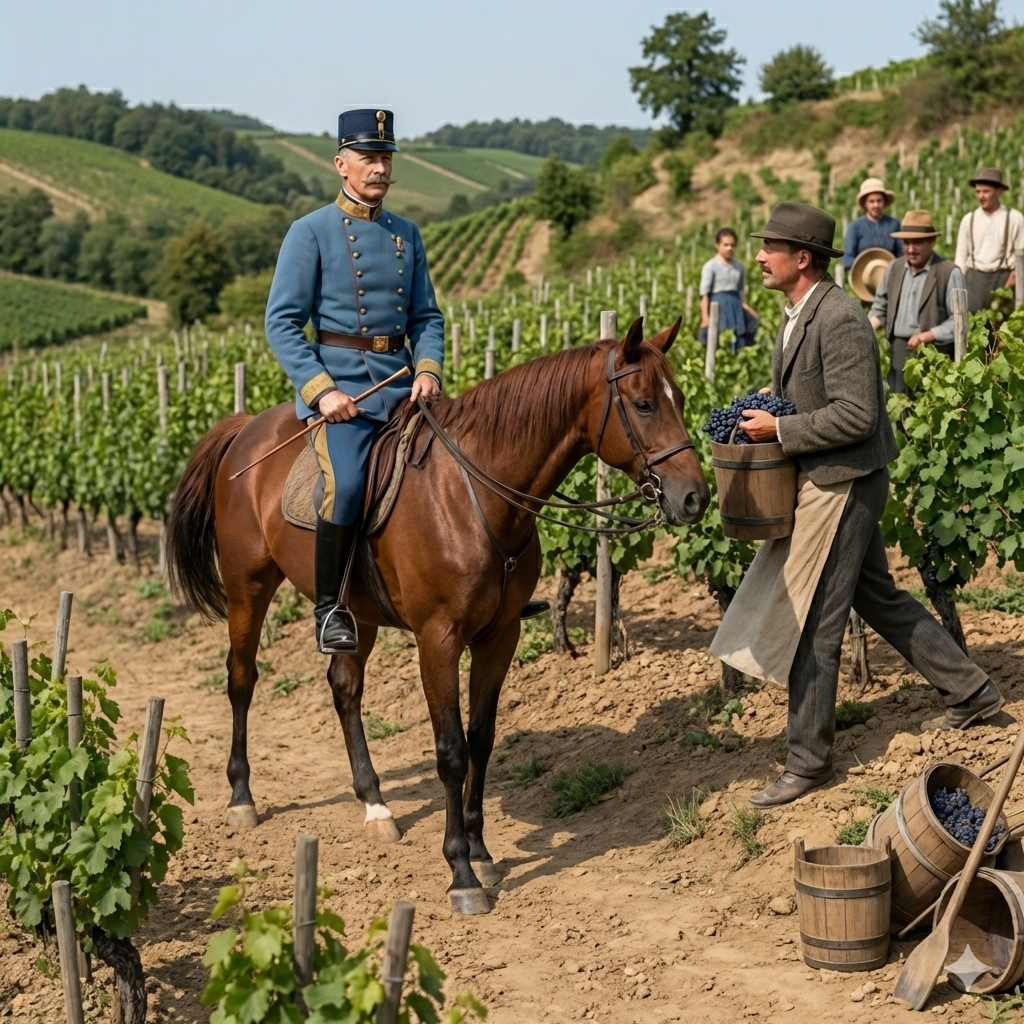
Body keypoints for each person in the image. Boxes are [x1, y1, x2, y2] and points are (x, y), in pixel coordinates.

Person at [709, 201, 1003, 808]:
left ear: (803, 259)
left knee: (816, 617)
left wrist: (782, 431)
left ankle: (809, 761)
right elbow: (820, 393)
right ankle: (972, 692)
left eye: (771, 248)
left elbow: (857, 414)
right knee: (878, 597)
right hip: (828, 476)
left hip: (845, 479)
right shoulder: (797, 313)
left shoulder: (838, 316)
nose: (759, 256)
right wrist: (777, 398)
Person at [265, 108, 444, 653]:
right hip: (344, 393)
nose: (380, 168)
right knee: (343, 487)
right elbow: (282, 322)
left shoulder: (405, 234)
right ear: (341, 163)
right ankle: (329, 609)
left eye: (386, 158)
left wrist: (429, 369)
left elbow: (426, 318)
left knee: (468, 460)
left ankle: (479, 586)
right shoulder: (311, 231)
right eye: (369, 158)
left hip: (404, 385)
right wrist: (323, 391)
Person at [867, 210, 966, 394]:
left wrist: (928, 335)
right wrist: (866, 327)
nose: (911, 249)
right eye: (907, 243)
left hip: (934, 354)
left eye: (918, 242)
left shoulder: (949, 272)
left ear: (932, 242)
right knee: (899, 409)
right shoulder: (894, 268)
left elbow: (959, 322)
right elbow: (880, 307)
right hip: (898, 351)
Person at [955, 167, 1024, 312]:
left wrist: (1013, 280)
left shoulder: (1014, 219)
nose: (981, 196)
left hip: (1003, 280)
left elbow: (1021, 258)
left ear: (999, 191)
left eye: (986, 191)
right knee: (973, 328)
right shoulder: (969, 220)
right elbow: (960, 261)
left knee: (1002, 330)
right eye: (977, 191)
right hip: (974, 282)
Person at [698, 227, 760, 352]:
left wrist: (746, 307)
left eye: (732, 245)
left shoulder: (739, 266)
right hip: (718, 305)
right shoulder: (711, 266)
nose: (729, 248)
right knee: (720, 338)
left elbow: (740, 291)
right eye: (725, 245)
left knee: (743, 332)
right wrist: (705, 317)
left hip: (736, 304)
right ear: (717, 245)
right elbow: (705, 295)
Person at [842, 177, 903, 271]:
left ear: (884, 202)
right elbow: (847, 258)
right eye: (871, 201)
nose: (876, 205)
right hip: (863, 279)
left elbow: (902, 255)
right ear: (865, 204)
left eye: (879, 201)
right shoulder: (855, 227)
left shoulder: (894, 224)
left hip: (891, 276)